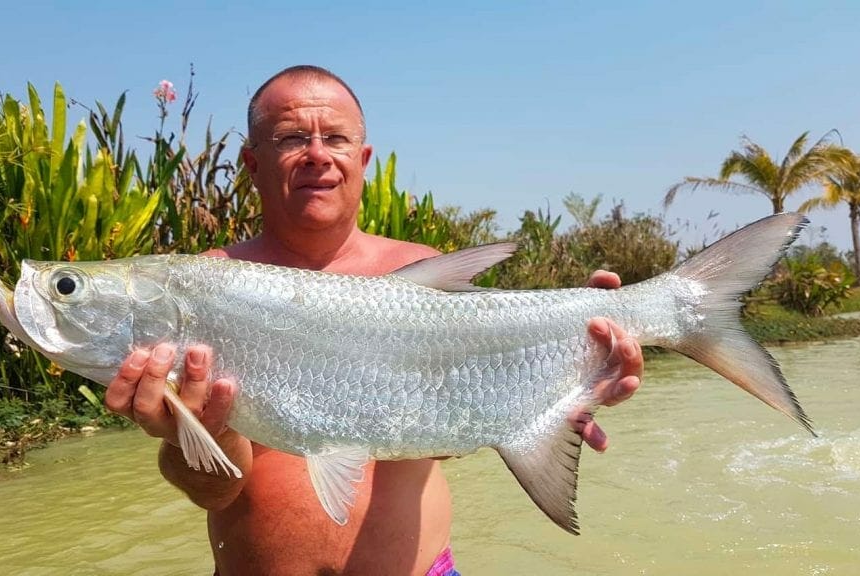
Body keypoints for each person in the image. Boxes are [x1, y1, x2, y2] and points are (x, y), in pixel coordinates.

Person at [104, 66, 644, 576]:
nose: (317, 155)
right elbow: (216, 492)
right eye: (292, 138)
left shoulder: (416, 268)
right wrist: (193, 434)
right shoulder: (203, 285)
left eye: (335, 139)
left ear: (362, 158)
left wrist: (561, 379)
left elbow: (441, 439)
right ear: (251, 163)